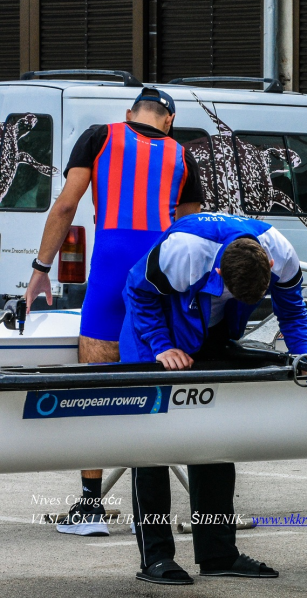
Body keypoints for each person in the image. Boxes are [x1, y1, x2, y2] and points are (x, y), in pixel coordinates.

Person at [24, 87, 203, 536]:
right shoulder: (183, 155)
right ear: (169, 120)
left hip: (108, 272)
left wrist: (41, 268)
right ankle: (197, 506)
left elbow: (66, 205)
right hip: (157, 277)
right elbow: (189, 227)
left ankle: (89, 509)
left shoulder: (100, 135)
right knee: (159, 387)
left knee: (97, 391)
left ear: (130, 113)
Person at [120, 213, 307, 585]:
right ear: (220, 274)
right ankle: (156, 557)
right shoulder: (185, 252)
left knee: (214, 442)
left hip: (212, 333)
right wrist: (163, 347)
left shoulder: (282, 252)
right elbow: (137, 293)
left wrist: (302, 355)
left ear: (269, 263)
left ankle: (218, 554)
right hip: (154, 336)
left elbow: (291, 307)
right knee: (151, 448)